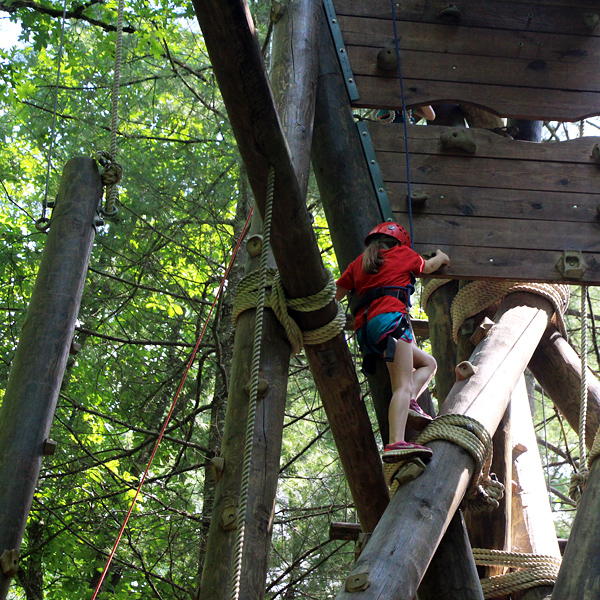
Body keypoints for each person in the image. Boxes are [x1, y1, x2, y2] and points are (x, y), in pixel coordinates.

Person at [335, 222, 450, 463]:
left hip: (367, 331)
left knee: (428, 363)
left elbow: (336, 293)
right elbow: (429, 266)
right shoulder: (403, 254)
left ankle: (409, 402)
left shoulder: (358, 264)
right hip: (391, 323)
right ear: (399, 242)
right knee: (401, 385)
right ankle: (395, 443)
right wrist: (441, 256)